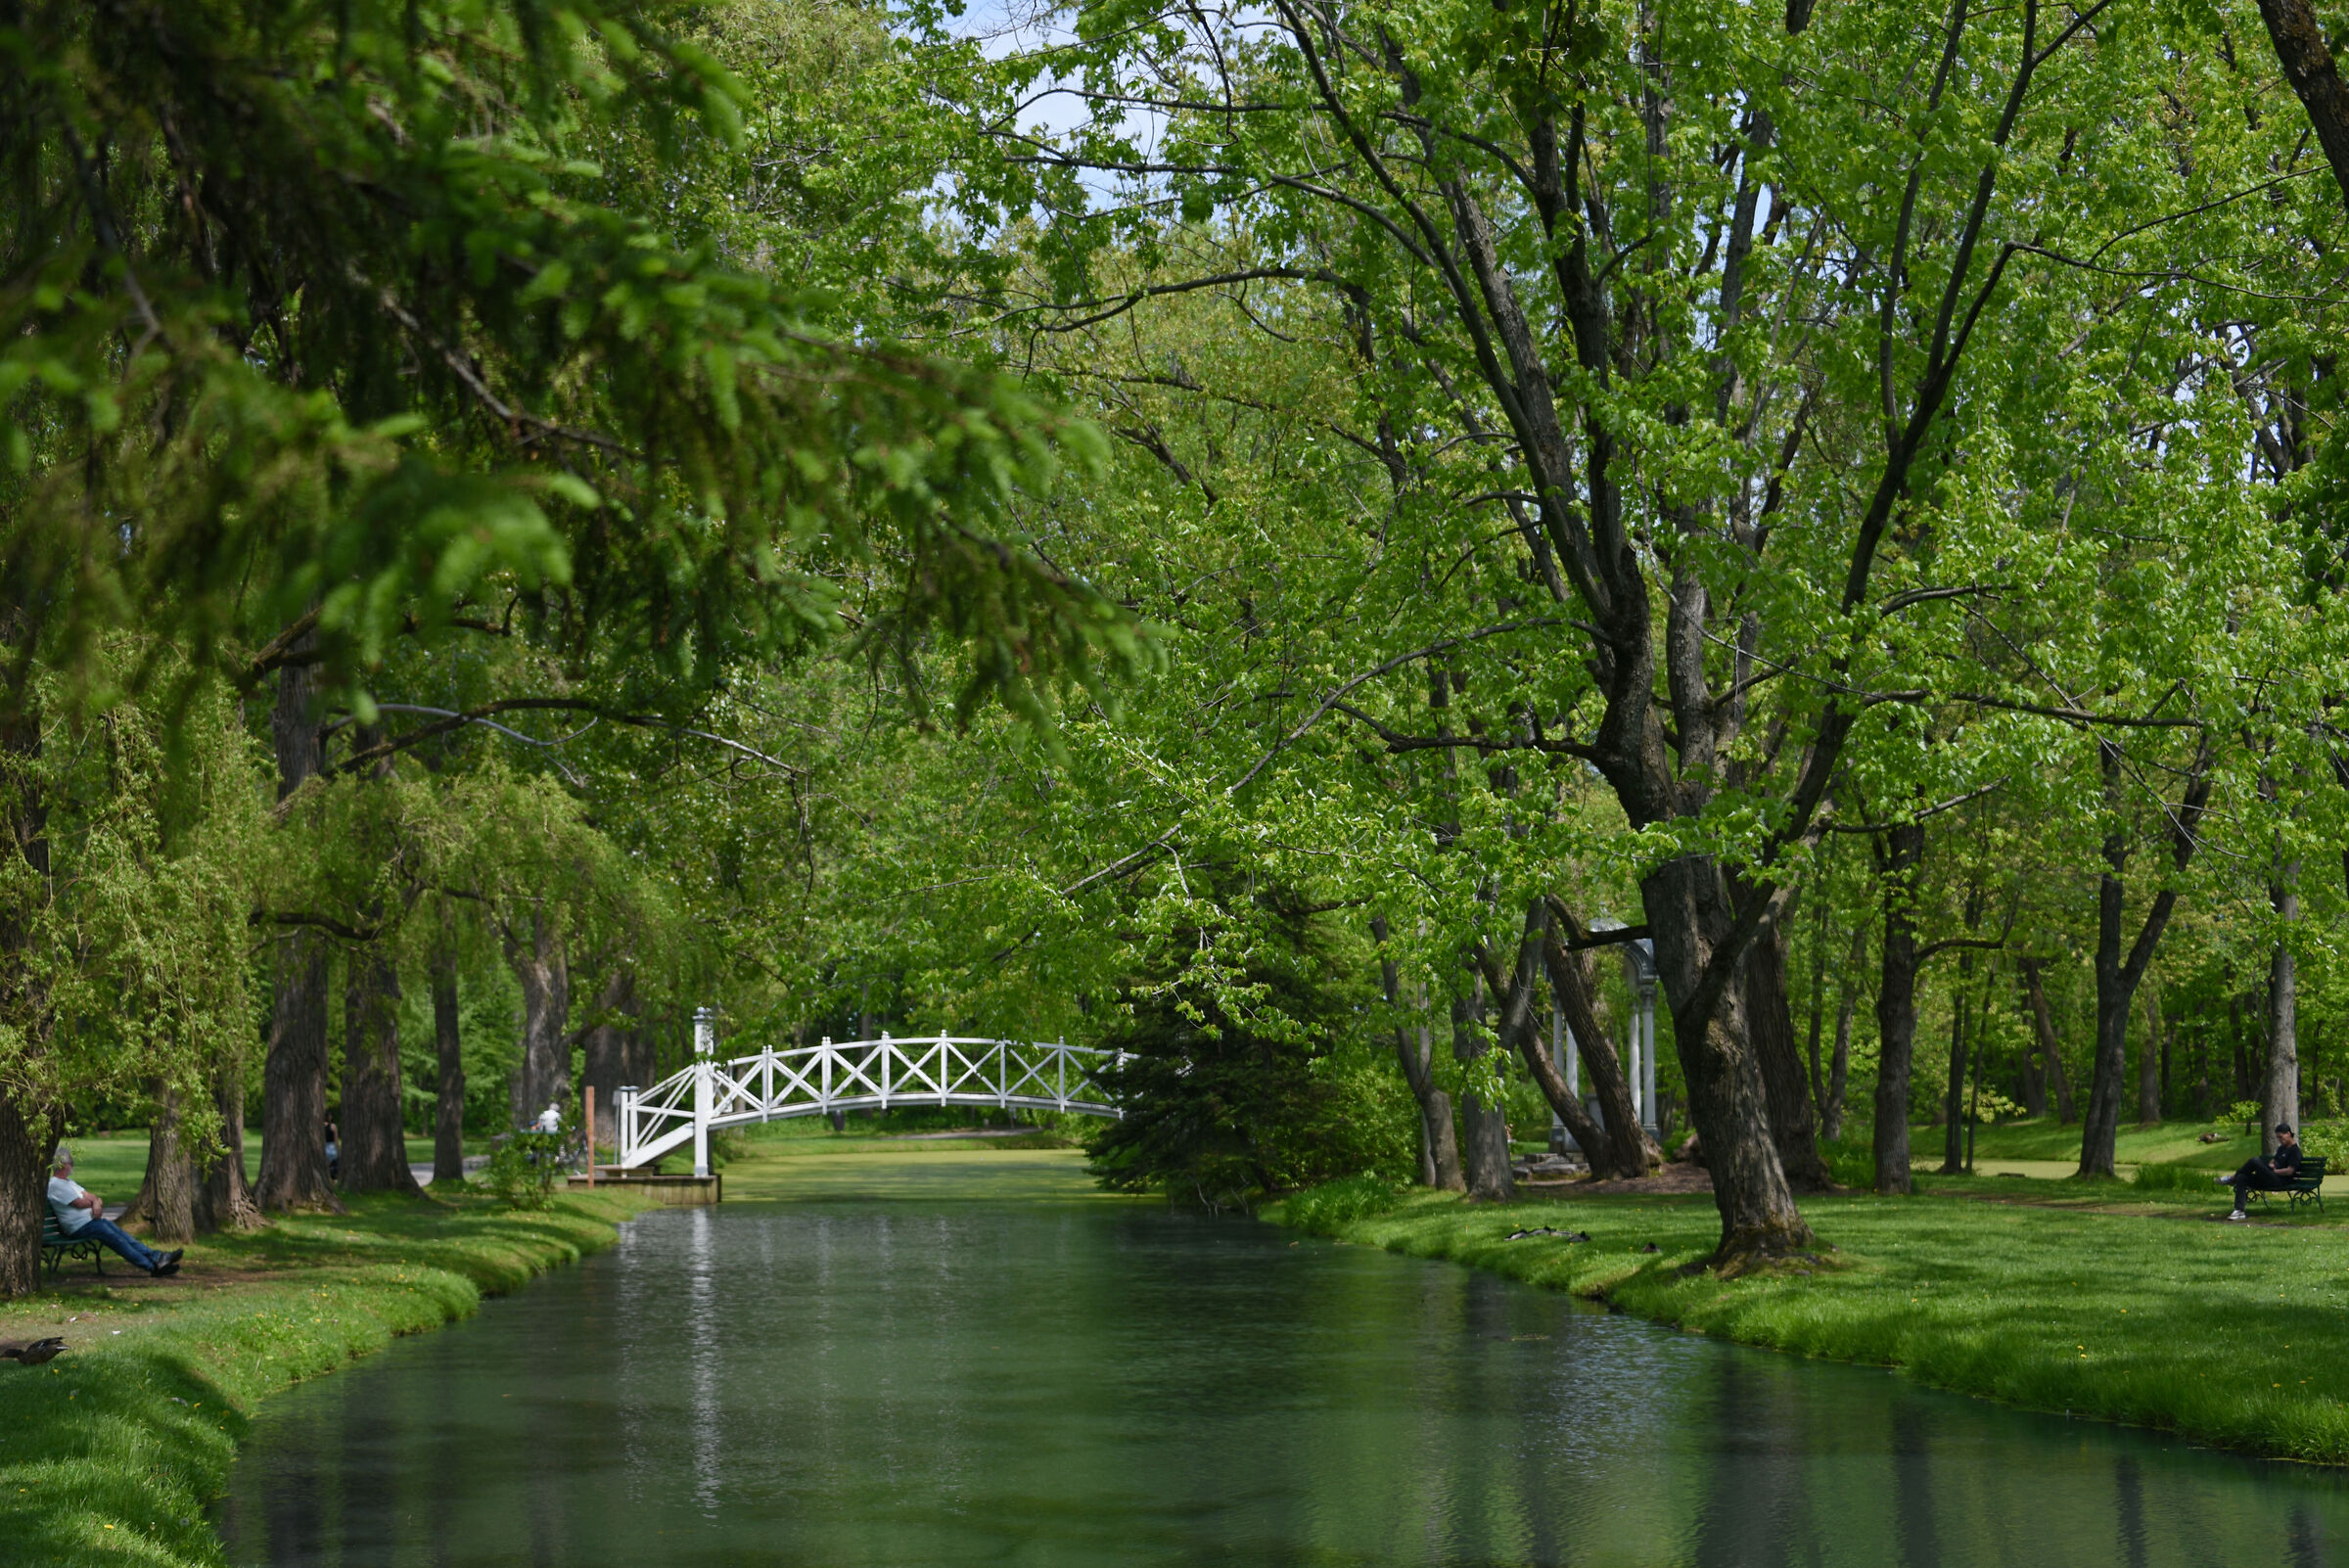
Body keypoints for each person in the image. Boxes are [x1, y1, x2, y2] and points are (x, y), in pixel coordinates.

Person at [47, 1147, 182, 1276]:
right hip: (80, 1227)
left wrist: (95, 1201)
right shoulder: (55, 1185)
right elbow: (79, 1203)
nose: (73, 1166)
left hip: (91, 1223)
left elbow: (91, 1196)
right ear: (64, 1165)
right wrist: (94, 1202)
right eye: (72, 1163)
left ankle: (157, 1257)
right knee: (119, 1241)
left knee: (123, 1236)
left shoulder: (69, 1183)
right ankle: (153, 1267)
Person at [2217, 1124, 2305, 1221]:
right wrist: (2271, 1165)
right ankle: (2239, 1211)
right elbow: (2273, 1160)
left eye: (2281, 1137)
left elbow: (2289, 1171)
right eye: (2277, 1137)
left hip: (2280, 1180)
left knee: (2254, 1161)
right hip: (2270, 1177)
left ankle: (2231, 1178)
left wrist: (2274, 1171)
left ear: (2288, 1134)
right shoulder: (2282, 1149)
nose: (2279, 1140)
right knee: (2242, 1177)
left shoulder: (2295, 1151)